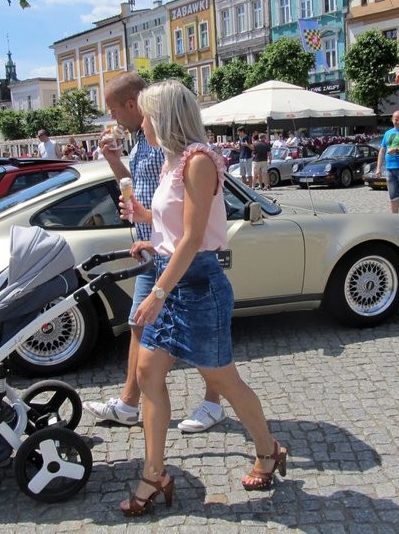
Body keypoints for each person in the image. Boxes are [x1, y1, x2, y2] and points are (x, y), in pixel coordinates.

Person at [119, 79, 286, 517]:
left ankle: (268, 450)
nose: (143, 122)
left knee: (224, 381)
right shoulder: (171, 161)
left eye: (148, 114)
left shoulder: (199, 160)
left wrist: (157, 292)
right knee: (148, 372)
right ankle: (154, 473)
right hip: (171, 277)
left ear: (166, 116)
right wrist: (146, 225)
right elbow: (175, 226)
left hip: (197, 285)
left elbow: (194, 238)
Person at [85, 72, 224, 434]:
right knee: (142, 327)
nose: (114, 117)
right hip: (157, 248)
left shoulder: (183, 153)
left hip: (182, 258)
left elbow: (192, 233)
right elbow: (144, 193)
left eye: (115, 109)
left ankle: (226, 413)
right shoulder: (152, 149)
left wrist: (160, 289)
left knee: (209, 343)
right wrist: (141, 215)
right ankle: (133, 409)